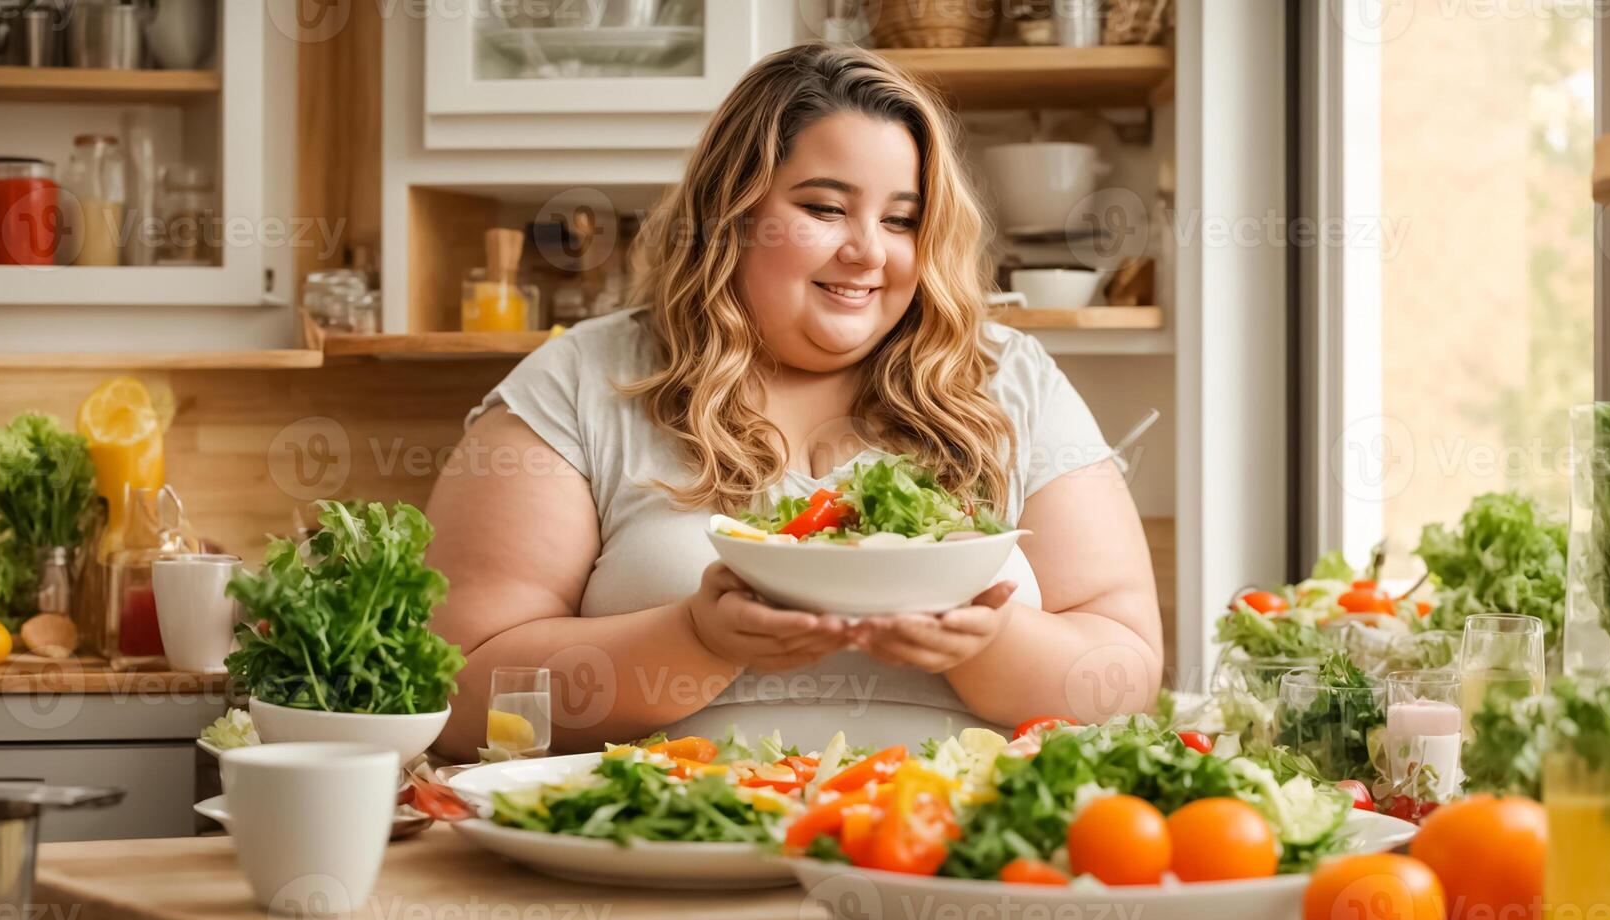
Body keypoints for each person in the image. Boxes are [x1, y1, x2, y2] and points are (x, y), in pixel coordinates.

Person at [426, 43, 1162, 759]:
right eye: (824, 208)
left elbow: (1124, 675)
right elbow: (452, 693)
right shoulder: (580, 381)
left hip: (953, 855)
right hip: (660, 854)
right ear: (731, 214)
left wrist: (991, 642)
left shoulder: (1010, 378)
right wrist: (693, 641)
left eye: (902, 220)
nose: (870, 252)